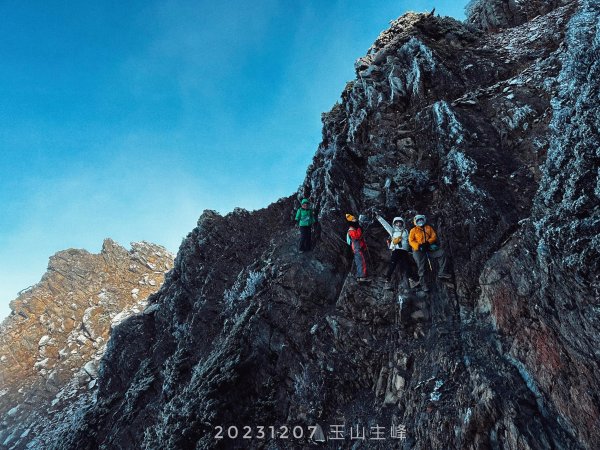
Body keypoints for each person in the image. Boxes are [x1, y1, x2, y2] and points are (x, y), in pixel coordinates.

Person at [408, 214, 450, 292]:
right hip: (418, 250)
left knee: (441, 253)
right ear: (415, 222)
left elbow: (434, 236)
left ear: (424, 220)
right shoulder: (413, 230)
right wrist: (419, 246)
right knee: (421, 267)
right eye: (418, 220)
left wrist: (427, 243)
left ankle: (442, 272)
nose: (420, 221)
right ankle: (424, 285)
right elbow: (411, 240)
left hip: (428, 247)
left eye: (421, 220)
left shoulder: (428, 228)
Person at [376, 214, 417, 290]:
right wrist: (379, 218)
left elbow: (410, 240)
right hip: (396, 250)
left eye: (400, 222)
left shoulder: (406, 231)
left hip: (404, 250)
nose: (398, 224)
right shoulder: (392, 231)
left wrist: (413, 248)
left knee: (407, 265)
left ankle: (411, 281)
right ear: (394, 224)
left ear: (402, 223)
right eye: (396, 223)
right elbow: (386, 225)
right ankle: (387, 281)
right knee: (392, 265)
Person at [346, 214, 368, 281]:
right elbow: (357, 236)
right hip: (357, 249)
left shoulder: (353, 229)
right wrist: (359, 228)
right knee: (361, 262)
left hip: (357, 248)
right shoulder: (351, 230)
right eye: (353, 219)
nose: (355, 220)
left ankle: (359, 277)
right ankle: (362, 277)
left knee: (359, 262)